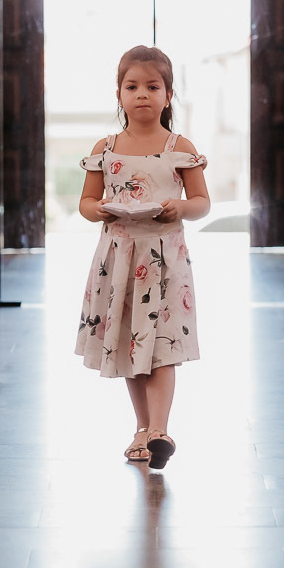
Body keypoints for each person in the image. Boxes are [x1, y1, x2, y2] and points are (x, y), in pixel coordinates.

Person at [75, 45, 210, 469]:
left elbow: (202, 201)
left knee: (163, 346)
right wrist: (97, 209)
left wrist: (181, 208)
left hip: (164, 260)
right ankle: (142, 429)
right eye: (132, 86)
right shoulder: (107, 146)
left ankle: (160, 430)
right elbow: (86, 201)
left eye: (153, 87)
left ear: (168, 95)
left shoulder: (178, 146)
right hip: (119, 258)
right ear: (119, 94)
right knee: (132, 344)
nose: (142, 95)